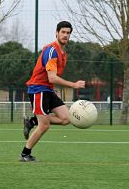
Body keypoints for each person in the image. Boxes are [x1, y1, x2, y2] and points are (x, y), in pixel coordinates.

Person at [21, 21, 86, 162]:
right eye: (63, 32)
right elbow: (52, 77)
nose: (65, 35)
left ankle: (32, 122)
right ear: (56, 33)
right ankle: (25, 154)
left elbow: (51, 79)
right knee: (44, 125)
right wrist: (73, 85)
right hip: (38, 89)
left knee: (66, 119)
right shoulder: (52, 51)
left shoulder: (63, 53)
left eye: (68, 33)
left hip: (48, 90)